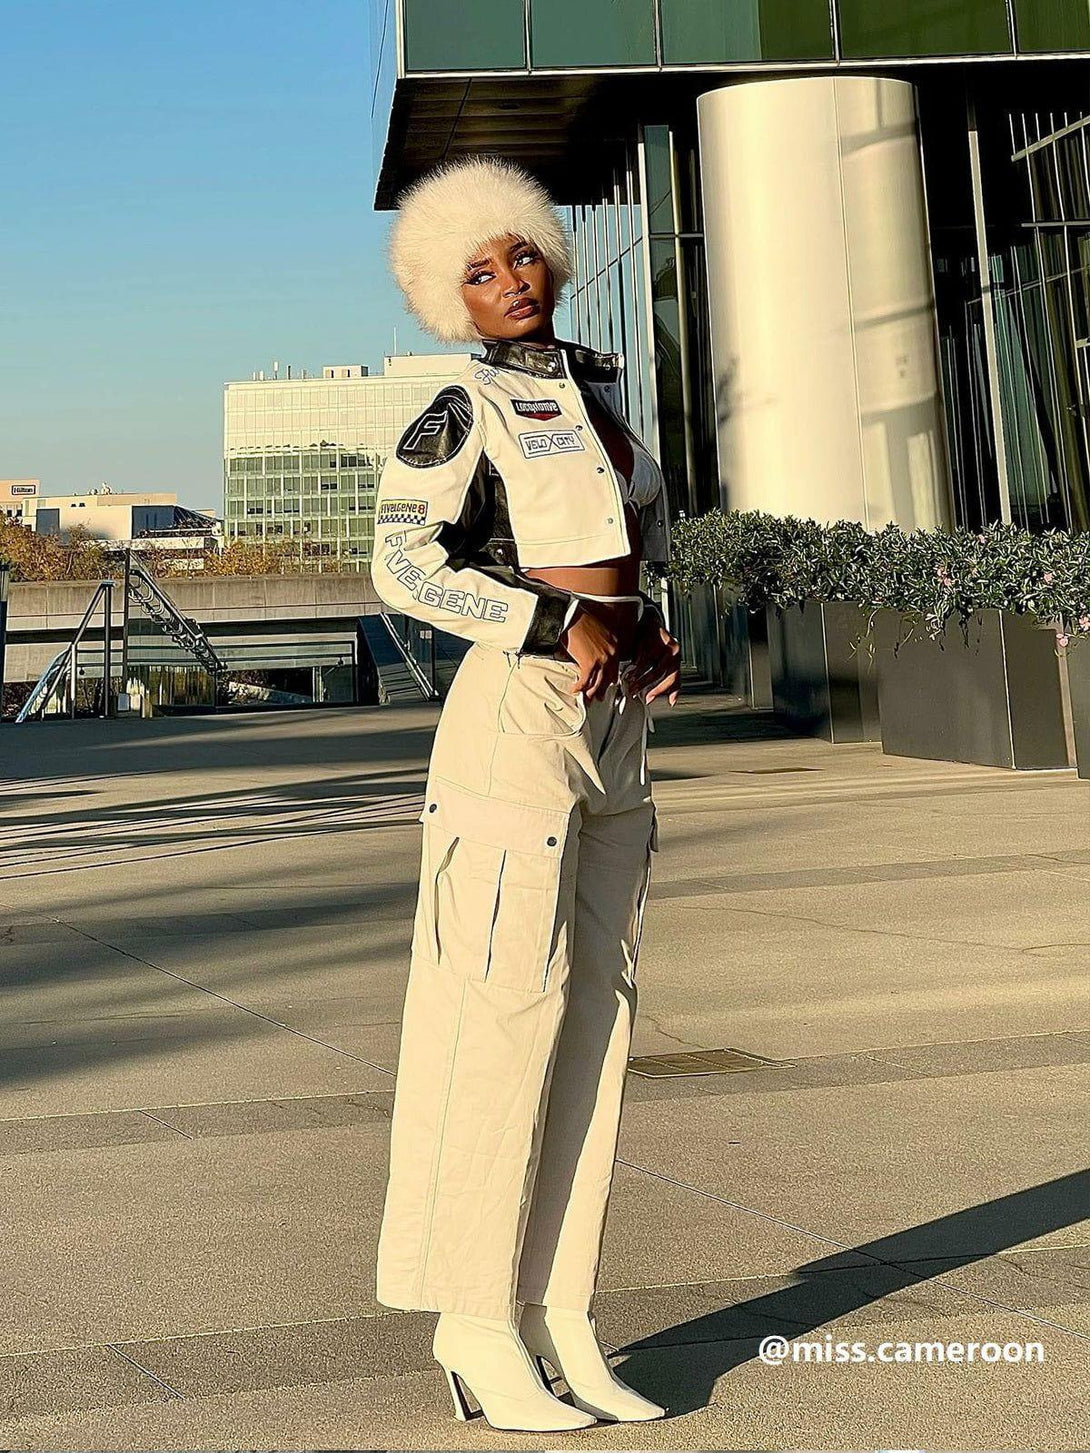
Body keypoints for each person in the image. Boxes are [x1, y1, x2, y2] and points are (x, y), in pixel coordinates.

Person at [370, 153, 681, 1434]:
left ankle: (560, 1311)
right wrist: (553, 621)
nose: (510, 280)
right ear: (446, 298)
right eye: (478, 271)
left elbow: (637, 540)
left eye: (522, 255)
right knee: (500, 1017)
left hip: (615, 728)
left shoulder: (601, 404)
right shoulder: (464, 407)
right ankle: (473, 1320)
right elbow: (402, 563)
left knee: (598, 1017)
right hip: (514, 717)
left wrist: (647, 626)